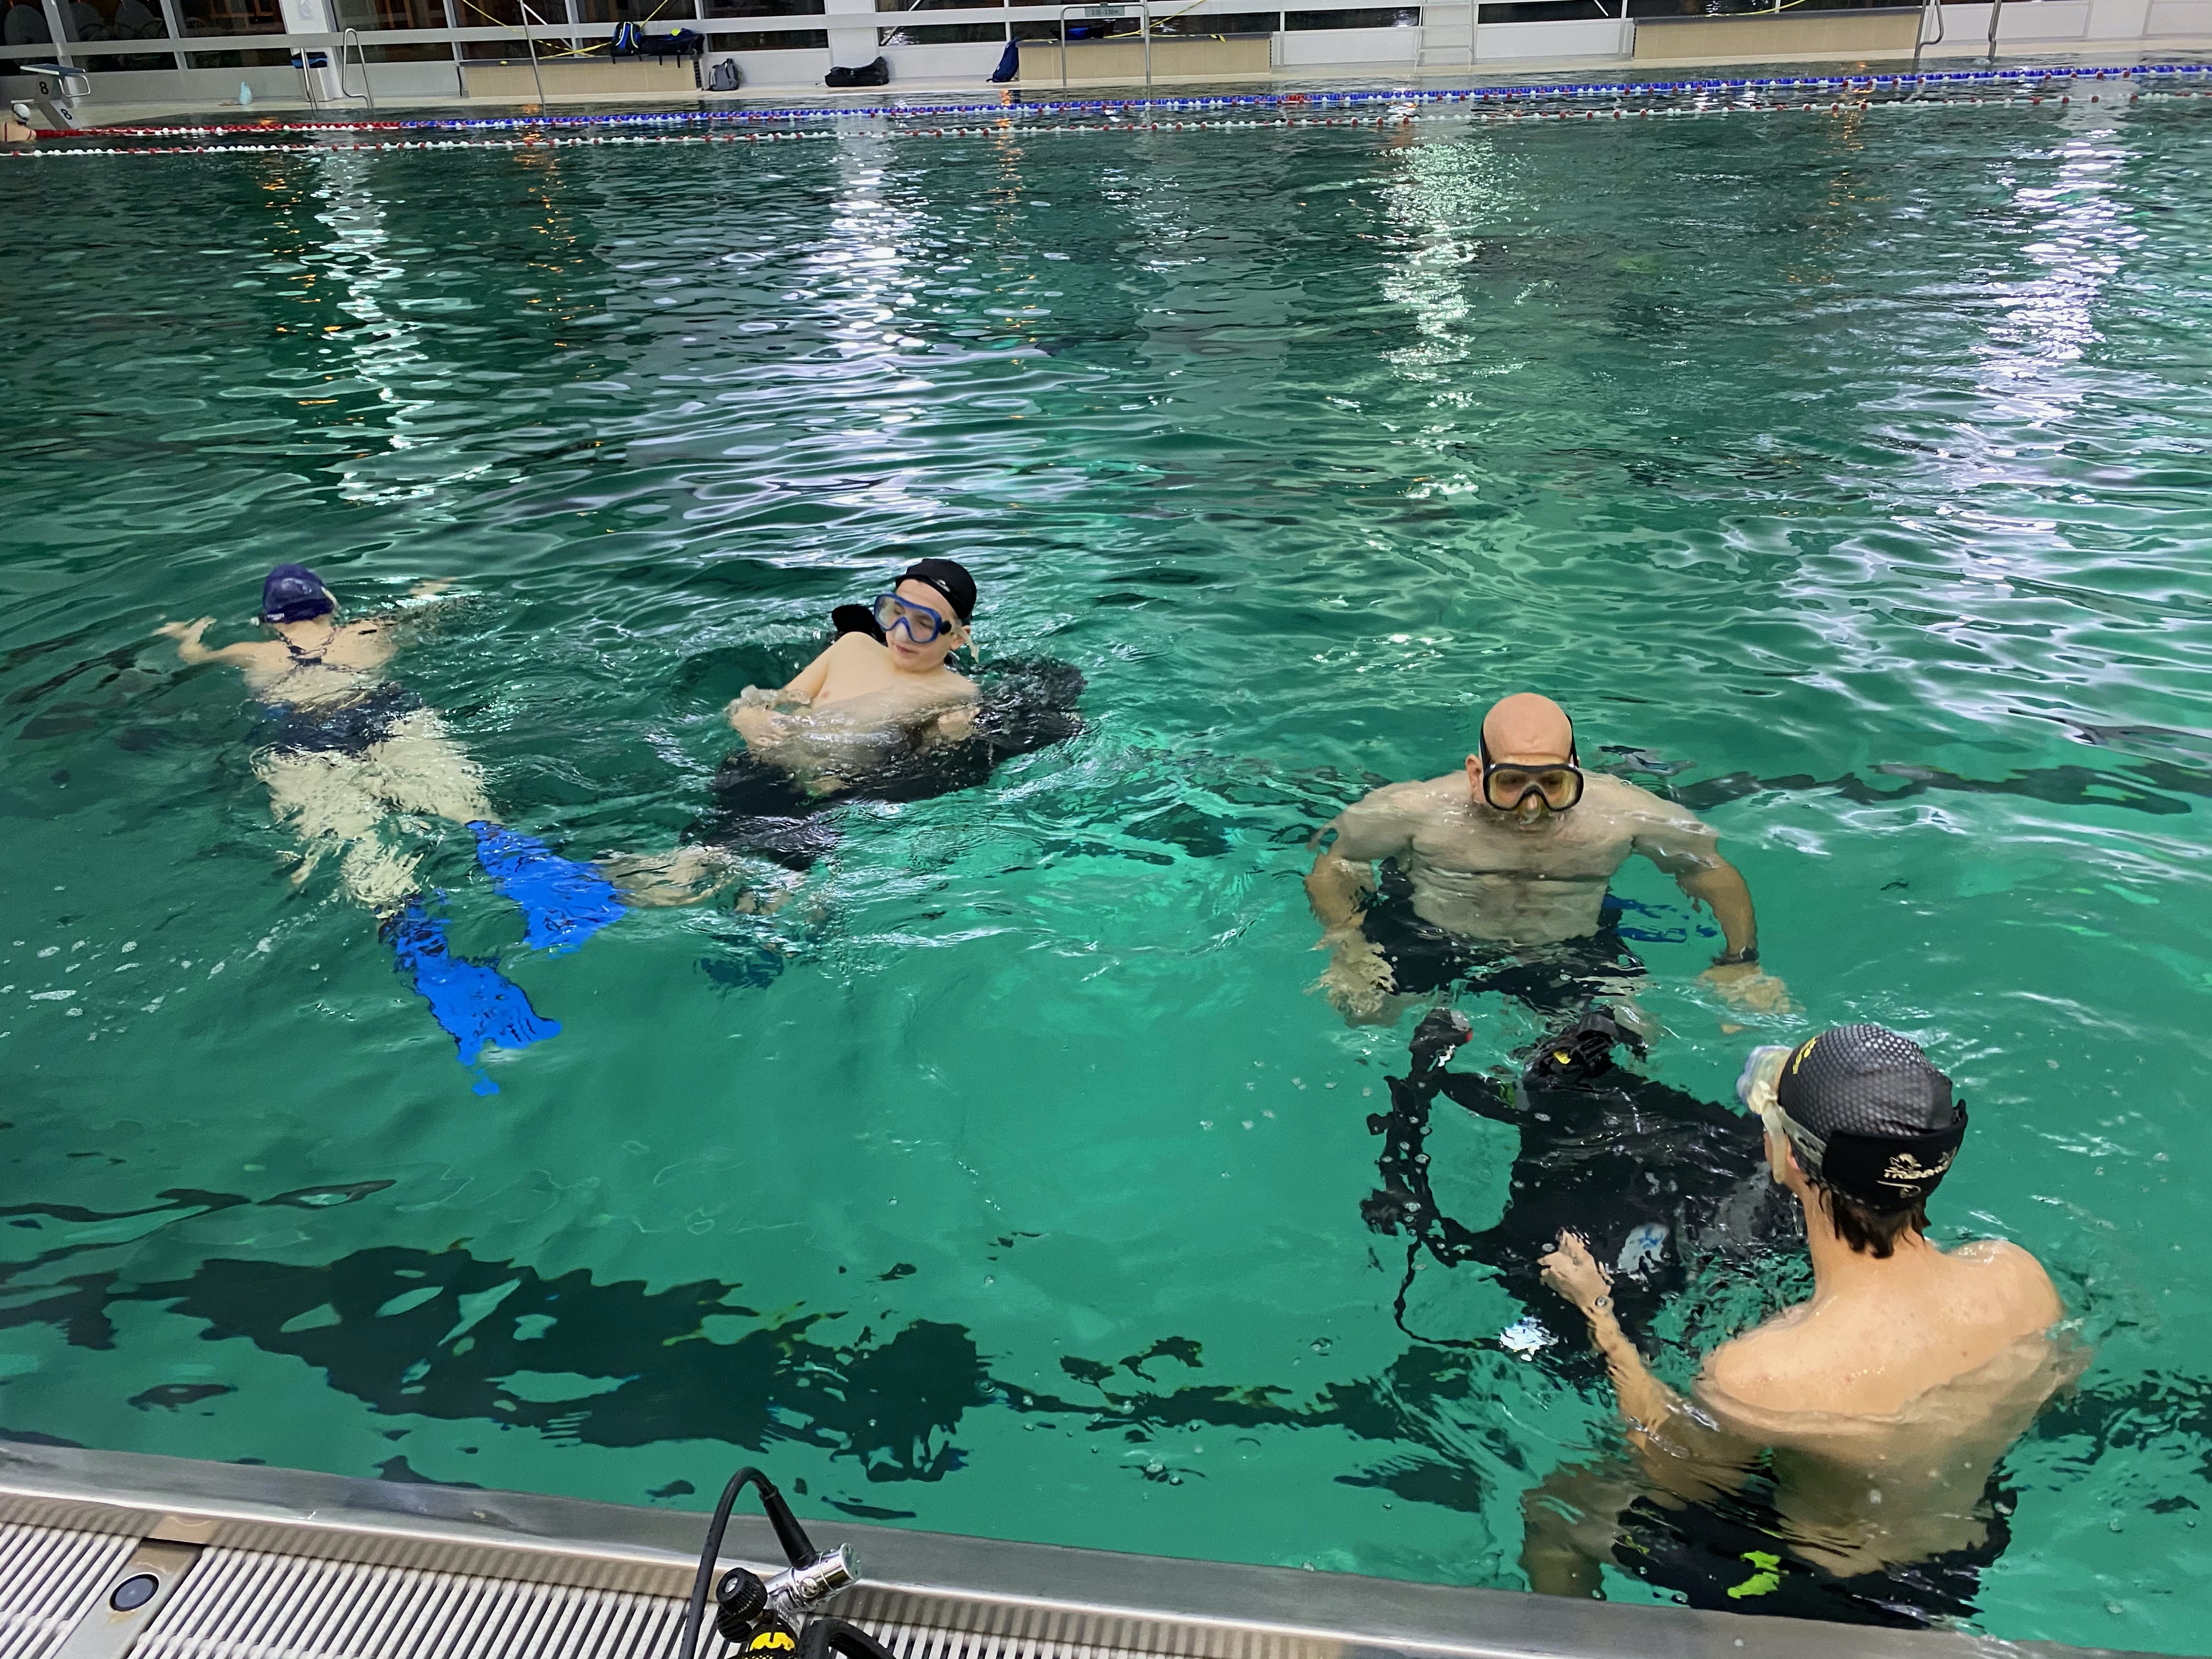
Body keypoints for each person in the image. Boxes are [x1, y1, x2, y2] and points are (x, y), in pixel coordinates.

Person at [1522, 1024, 2077, 1628]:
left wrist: (1599, 1315)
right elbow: (2058, 1388)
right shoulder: (2018, 1278)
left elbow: (1677, 1475)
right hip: (1967, 1553)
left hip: (1830, 1593)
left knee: (1556, 1510)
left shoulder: (1761, 1373)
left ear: (1787, 1156)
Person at [160, 566, 620, 1077]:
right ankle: (531, 872)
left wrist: (187, 638)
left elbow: (194, 661)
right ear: (330, 603)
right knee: (467, 809)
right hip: (385, 715)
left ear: (269, 622)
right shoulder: (368, 632)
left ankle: (427, 956)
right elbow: (427, 614)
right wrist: (433, 588)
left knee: (366, 857)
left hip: (302, 741)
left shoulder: (254, 654)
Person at [1307, 691, 1787, 1025]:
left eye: (1552, 784)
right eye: (1511, 783)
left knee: (1640, 1037)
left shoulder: (1626, 815)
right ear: (1477, 773)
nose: (1531, 806)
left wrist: (1740, 962)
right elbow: (1335, 864)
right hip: (1431, 935)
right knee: (1361, 1014)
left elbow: (1707, 869)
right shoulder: (1414, 812)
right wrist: (1349, 944)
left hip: (1569, 948)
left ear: (1576, 771)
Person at [1363, 1004, 1788, 1353]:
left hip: (1625, 1286)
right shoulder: (1718, 1151)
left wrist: (1421, 1073)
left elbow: (1433, 1228)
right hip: (1687, 1246)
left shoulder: (1533, 1250)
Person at [612, 557, 1032, 906]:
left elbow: (930, 766)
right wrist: (748, 718)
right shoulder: (852, 647)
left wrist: (952, 736)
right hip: (769, 766)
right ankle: (700, 859)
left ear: (958, 637)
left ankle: (776, 881)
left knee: (777, 880)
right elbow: (775, 700)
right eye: (893, 612)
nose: (900, 632)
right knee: (731, 805)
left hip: (838, 790)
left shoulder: (958, 693)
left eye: (923, 624)